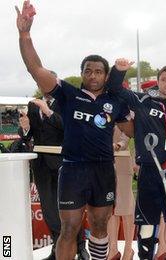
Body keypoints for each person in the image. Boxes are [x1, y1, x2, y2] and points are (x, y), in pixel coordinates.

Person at [16, 1, 133, 259]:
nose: (93, 75)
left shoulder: (115, 101)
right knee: (69, 229)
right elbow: (36, 69)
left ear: (106, 75)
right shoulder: (68, 95)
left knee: (101, 225)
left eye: (99, 71)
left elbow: (132, 130)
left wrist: (136, 108)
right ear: (81, 74)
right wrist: (25, 34)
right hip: (72, 169)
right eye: (88, 70)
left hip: (103, 168)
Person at [108, 60, 166, 259]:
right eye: (163, 79)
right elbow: (114, 88)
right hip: (149, 170)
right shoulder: (143, 100)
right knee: (146, 223)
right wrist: (120, 70)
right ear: (158, 82)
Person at [19, 93, 89, 259]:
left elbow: (70, 127)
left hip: (64, 164)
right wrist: (25, 127)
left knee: (71, 210)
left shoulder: (68, 101)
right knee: (49, 211)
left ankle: (80, 248)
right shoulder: (33, 105)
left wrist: (47, 111)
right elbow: (27, 136)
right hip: (41, 166)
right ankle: (57, 250)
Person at [107, 126, 136, 260]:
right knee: (110, 208)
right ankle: (112, 249)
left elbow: (129, 131)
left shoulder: (126, 109)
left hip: (122, 160)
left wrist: (119, 144)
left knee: (126, 207)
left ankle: (128, 249)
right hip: (104, 162)